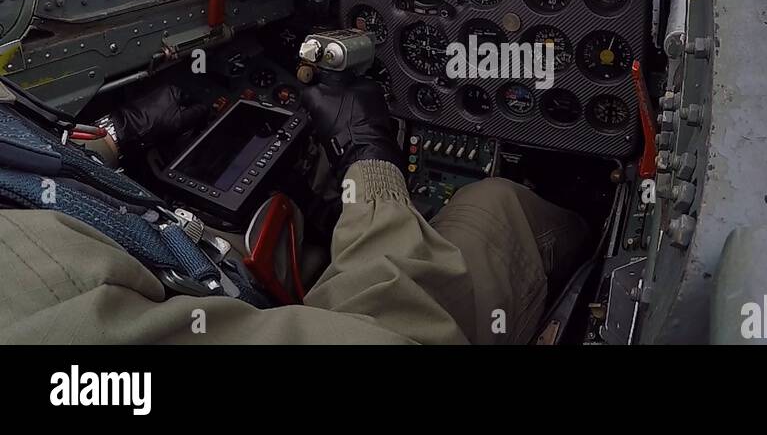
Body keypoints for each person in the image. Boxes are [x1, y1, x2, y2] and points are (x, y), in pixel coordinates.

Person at [0, 80, 589, 345]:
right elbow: (389, 335)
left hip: (187, 263)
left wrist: (109, 137)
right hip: (219, 288)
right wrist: (370, 161)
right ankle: (592, 212)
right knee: (494, 202)